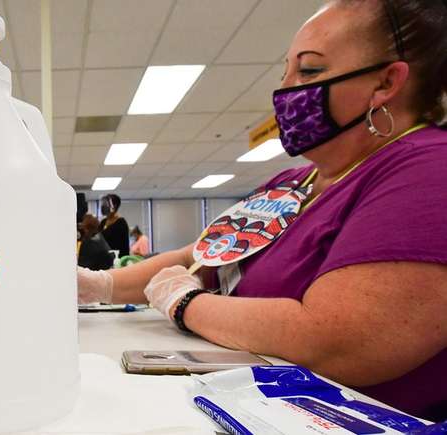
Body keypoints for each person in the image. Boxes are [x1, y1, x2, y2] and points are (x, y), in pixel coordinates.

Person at [78, 0, 447, 421]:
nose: (286, 90)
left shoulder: (427, 170)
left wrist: (188, 304)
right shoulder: (292, 183)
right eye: (284, 73)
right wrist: (96, 285)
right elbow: (198, 258)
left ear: (386, 82)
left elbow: (339, 340)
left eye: (309, 71)